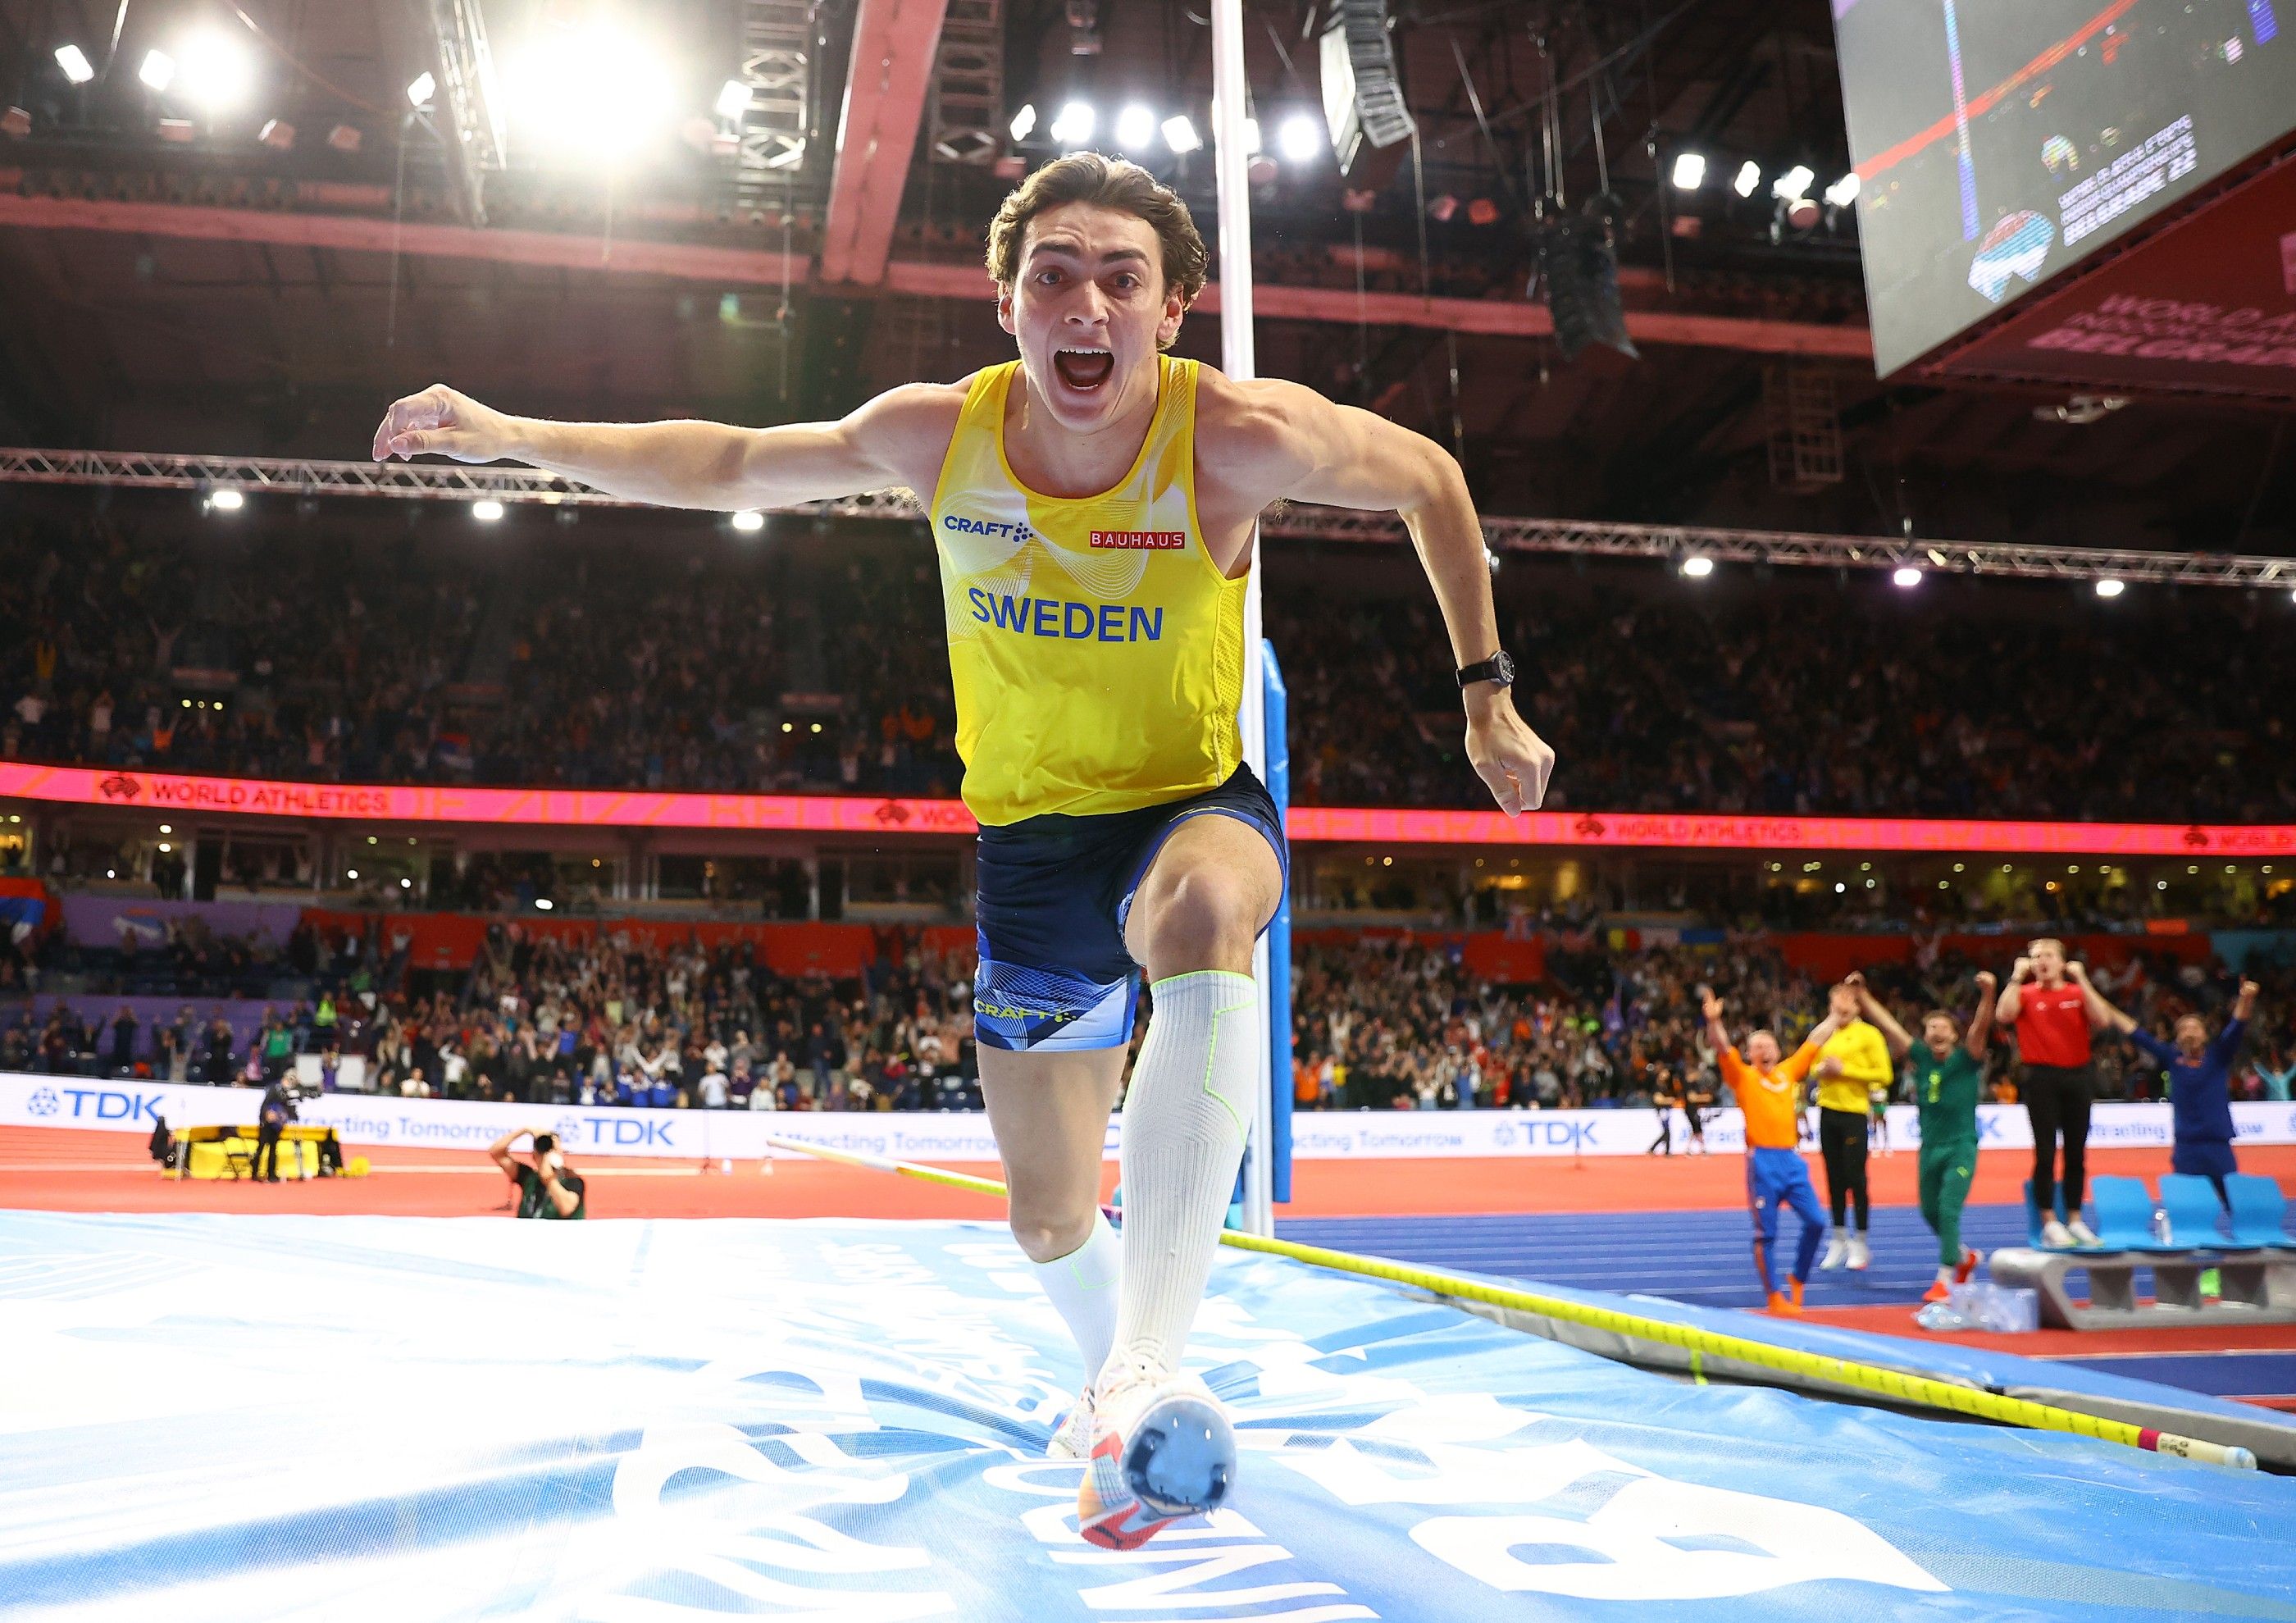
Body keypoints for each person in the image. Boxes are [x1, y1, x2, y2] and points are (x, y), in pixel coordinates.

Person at [375, 150, 1554, 1551]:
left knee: (1206, 913)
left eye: (1122, 277)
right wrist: (510, 430)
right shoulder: (942, 434)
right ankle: (1115, 1368)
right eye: (1056, 273)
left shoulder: (1235, 433)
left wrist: (1487, 694)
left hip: (1188, 804)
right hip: (1032, 855)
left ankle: (1141, 1376)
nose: (1088, 301)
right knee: (1051, 1217)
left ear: (1173, 308)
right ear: (1010, 303)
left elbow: (1432, 480)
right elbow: (735, 459)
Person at [1852, 973, 1997, 1304]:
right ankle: (1963, 1256)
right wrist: (1863, 997)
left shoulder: (1966, 1059)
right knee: (1929, 1211)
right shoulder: (1921, 1057)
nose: (1937, 1032)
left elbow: (1981, 1028)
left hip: (1961, 1145)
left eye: (1943, 1028)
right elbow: (1891, 1029)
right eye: (1931, 1028)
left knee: (1948, 1210)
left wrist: (1988, 994)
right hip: (1929, 1148)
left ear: (1955, 1036)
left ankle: (1945, 1279)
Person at [1702, 987, 1836, 1317]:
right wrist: (1714, 1022)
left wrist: (1836, 1015)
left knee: (1817, 1223)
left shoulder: (1789, 1072)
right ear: (1749, 1055)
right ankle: (1775, 1296)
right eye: (1756, 1047)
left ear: (1777, 1050)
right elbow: (1721, 1045)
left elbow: (1814, 1041)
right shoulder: (1743, 1077)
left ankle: (1798, 1276)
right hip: (1762, 1162)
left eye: (1768, 1045)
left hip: (1792, 1161)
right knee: (1768, 1233)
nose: (1763, 1050)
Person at [2091, 978, 2259, 1210]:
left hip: (2218, 1145)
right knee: (2187, 1207)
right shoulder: (2171, 1057)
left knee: (2235, 1206)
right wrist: (2107, 1008)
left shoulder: (2219, 1055)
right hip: (2187, 1146)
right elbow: (2135, 1032)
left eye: (2195, 1027)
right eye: (2184, 1029)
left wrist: (2246, 997)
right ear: (2177, 1036)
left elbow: (2238, 1023)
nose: (2189, 1032)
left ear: (2205, 1034)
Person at [1993, 939, 2108, 1247]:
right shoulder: (2025, 993)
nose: (2041, 961)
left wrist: (2082, 979)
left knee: (2076, 1152)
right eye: (2035, 957)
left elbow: (2103, 1019)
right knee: (2044, 1152)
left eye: (2048, 955)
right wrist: (2016, 978)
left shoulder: (2076, 992)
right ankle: (2048, 1220)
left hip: (2078, 1076)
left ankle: (2075, 1219)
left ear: (2062, 962)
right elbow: (2004, 1015)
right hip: (2041, 1077)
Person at [1811, 978, 1893, 1271]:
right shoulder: (1825, 1032)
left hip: (1855, 1113)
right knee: (1833, 1178)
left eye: (1847, 1002)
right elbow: (1808, 1063)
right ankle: (1838, 1238)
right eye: (1836, 1002)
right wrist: (1820, 1070)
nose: (1841, 1007)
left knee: (1855, 1178)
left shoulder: (1869, 1035)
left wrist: (1845, 1070)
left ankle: (1860, 1241)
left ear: (1857, 1005)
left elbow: (1884, 1074)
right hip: (1827, 1111)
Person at [487, 1127, 586, 1220]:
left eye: (554, 1149)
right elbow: (496, 1152)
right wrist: (525, 1130)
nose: (548, 1153)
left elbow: (567, 1208)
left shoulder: (572, 1180)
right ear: (534, 1155)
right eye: (545, 1149)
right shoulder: (529, 1176)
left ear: (562, 1152)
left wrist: (548, 1178)